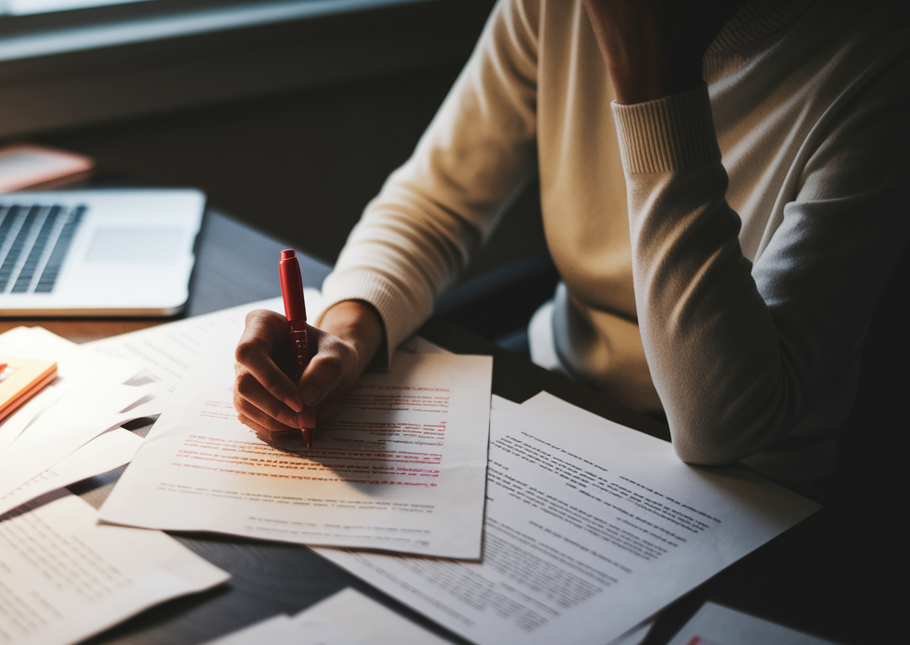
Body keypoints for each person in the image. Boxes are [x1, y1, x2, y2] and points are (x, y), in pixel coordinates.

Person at [232, 0, 910, 489]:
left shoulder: (879, 59)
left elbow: (722, 427)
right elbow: (436, 202)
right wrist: (347, 330)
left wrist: (655, 90)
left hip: (758, 487)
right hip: (559, 404)